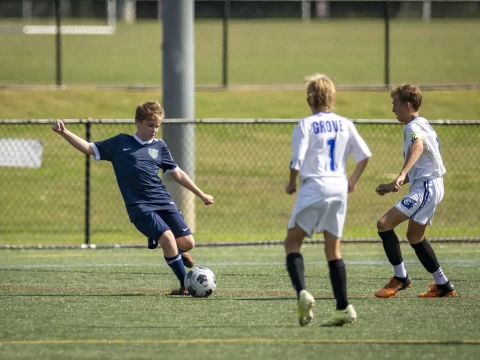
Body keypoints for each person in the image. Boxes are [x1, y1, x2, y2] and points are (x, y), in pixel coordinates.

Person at [52, 100, 214, 295]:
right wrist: (64, 132)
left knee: (187, 243)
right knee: (169, 239)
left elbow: (177, 173)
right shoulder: (120, 143)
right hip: (139, 206)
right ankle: (185, 286)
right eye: (150, 125)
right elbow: (88, 147)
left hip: (162, 200)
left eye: (157, 125)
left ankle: (166, 245)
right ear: (138, 122)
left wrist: (201, 194)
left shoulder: (160, 146)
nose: (154, 130)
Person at [284, 74, 371, 327]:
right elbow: (364, 156)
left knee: (292, 242)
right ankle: (343, 307)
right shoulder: (345, 123)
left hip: (315, 186)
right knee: (333, 249)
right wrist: (352, 181)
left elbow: (297, 161)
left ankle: (302, 292)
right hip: (338, 187)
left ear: (310, 99)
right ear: (332, 97)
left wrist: (291, 183)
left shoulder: (306, 125)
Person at [374, 84, 455, 299]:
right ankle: (443, 284)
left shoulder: (412, 127)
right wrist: (395, 183)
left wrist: (400, 176)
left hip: (427, 187)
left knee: (384, 224)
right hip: (430, 184)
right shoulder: (423, 123)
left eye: (395, 104)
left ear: (407, 105)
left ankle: (401, 278)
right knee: (415, 236)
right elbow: (423, 162)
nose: (393, 110)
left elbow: (417, 147)